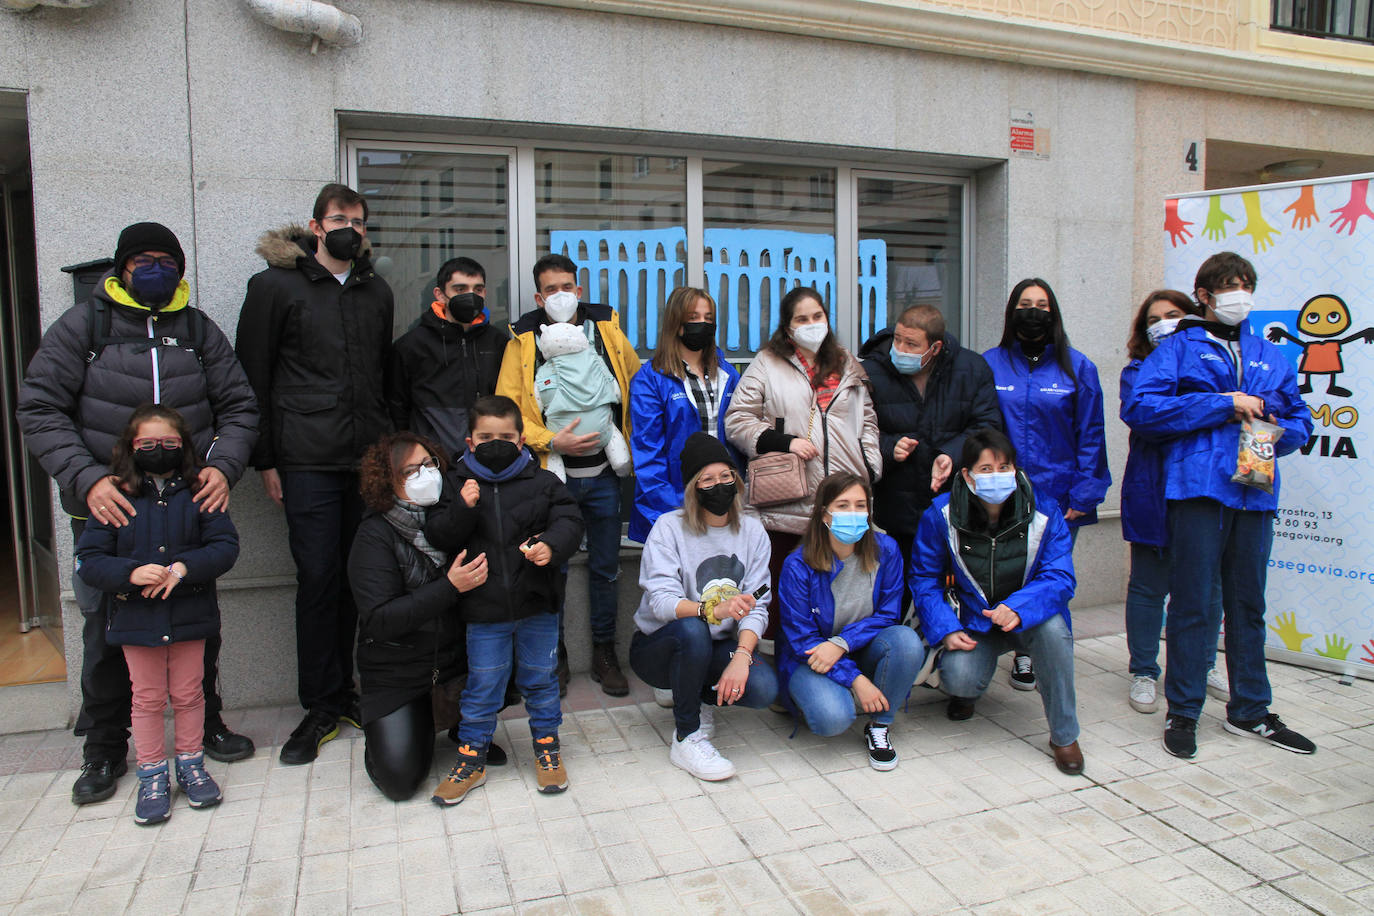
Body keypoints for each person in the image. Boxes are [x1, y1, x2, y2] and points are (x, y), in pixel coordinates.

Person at [17, 221, 259, 806]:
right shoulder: (86, 326)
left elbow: (239, 405)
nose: (156, 268)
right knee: (107, 629)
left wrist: (222, 467)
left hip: (185, 504)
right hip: (112, 506)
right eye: (143, 259)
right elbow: (40, 406)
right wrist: (87, 478)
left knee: (199, 622)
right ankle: (104, 745)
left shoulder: (197, 330)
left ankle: (206, 728)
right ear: (121, 268)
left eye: (166, 259)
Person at [1122, 252, 1315, 760]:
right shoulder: (1178, 349)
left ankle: (1250, 710)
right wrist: (1225, 403)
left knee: (1248, 604)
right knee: (1191, 604)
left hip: (1255, 491)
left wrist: (1276, 428)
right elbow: (1141, 409)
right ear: (1204, 296)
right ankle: (1183, 710)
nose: (1239, 294)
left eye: (1246, 284)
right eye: (1229, 286)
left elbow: (1301, 420)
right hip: (1197, 490)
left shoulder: (1270, 354)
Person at [236, 183, 395, 765]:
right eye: (338, 218)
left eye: (358, 219)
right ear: (316, 224)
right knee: (318, 579)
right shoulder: (275, 286)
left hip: (366, 460)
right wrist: (266, 459)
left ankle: (355, 691)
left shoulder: (376, 292)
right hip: (304, 459)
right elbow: (253, 376)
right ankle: (321, 703)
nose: (349, 226)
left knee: (362, 578)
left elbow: (381, 374)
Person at [75, 405, 240, 824]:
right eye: (147, 443)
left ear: (183, 446)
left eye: (168, 443)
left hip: (189, 611)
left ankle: (191, 763)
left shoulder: (199, 491)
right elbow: (89, 559)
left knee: (190, 694)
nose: (158, 450)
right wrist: (130, 573)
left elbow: (224, 547)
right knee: (146, 699)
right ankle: (152, 773)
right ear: (130, 447)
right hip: (137, 618)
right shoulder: (116, 496)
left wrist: (184, 568)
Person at [423, 396, 584, 805]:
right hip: (483, 610)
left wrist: (551, 544)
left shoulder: (544, 481)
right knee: (483, 686)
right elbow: (440, 535)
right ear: (470, 441)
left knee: (541, 680)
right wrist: (464, 507)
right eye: (486, 437)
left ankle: (547, 749)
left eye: (506, 437)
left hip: (537, 604)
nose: (497, 443)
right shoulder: (456, 483)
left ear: (522, 438)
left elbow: (570, 520)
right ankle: (471, 758)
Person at [496, 253, 639, 696]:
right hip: (550, 479)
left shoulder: (606, 328)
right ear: (540, 297)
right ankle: (551, 659)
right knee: (548, 569)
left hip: (603, 476)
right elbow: (508, 410)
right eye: (550, 290)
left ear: (578, 290)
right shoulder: (523, 339)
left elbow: (632, 381)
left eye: (566, 287)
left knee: (606, 569)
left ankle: (603, 652)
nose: (560, 296)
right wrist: (549, 442)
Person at [909, 428, 1085, 776]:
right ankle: (966, 693)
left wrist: (1019, 607)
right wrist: (945, 627)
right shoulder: (941, 514)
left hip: (1028, 617)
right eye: (986, 470)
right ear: (967, 475)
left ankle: (1064, 736)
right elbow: (923, 577)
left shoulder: (1045, 510)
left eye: (1004, 468)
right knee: (959, 676)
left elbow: (1060, 577)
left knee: (1054, 632)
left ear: (1016, 470)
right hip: (976, 621)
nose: (997, 477)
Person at [348, 431, 509, 802]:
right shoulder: (373, 535)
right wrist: (449, 587)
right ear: (387, 481)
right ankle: (404, 726)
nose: (426, 474)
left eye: (429, 463)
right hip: (398, 675)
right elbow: (380, 618)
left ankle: (457, 725)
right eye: (410, 471)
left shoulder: (454, 515)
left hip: (453, 663)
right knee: (400, 782)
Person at [724, 286, 881, 635]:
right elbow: (737, 420)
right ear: (788, 325)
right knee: (783, 595)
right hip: (787, 503)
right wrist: (785, 442)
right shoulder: (767, 362)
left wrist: (870, 465)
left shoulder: (847, 362)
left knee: (834, 593)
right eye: (802, 319)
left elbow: (867, 420)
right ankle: (784, 668)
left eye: (817, 316)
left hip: (843, 503)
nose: (812, 324)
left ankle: (831, 662)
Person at [983, 278, 1109, 692]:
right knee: (1005, 577)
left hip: (1058, 496)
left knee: (1049, 581)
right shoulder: (991, 364)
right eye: (1025, 303)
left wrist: (1085, 493)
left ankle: (1038, 657)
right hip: (999, 495)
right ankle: (1000, 651)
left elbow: (1091, 433)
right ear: (1011, 311)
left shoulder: (1078, 367)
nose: (1033, 310)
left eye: (1041, 304)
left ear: (1053, 312)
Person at [629, 433, 778, 780]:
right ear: (693, 488)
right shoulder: (669, 528)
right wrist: (713, 610)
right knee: (693, 629)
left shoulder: (754, 531)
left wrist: (742, 657)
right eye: (707, 480)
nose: (719, 485)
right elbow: (662, 602)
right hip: (661, 646)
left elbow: (758, 602)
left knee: (763, 688)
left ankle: (698, 698)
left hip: (719, 644)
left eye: (726, 476)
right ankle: (686, 736)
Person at [1120, 290, 1226, 715]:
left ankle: (1204, 663)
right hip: (1152, 488)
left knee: (1208, 584)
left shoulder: (1217, 367)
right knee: (1148, 585)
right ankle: (1144, 669)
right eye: (1155, 318)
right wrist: (1214, 406)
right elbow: (1150, 417)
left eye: (1175, 315)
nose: (1164, 323)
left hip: (1205, 487)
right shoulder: (1137, 372)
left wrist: (1201, 406)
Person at [777, 473, 925, 770]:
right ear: (824, 514)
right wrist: (856, 680)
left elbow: (887, 615)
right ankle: (837, 688)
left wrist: (841, 644)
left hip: (856, 648)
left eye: (861, 506)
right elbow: (803, 640)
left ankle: (880, 726)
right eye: (842, 506)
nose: (853, 514)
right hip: (809, 658)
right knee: (832, 719)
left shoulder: (887, 550)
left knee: (906, 641)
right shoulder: (798, 565)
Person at [859, 304, 1003, 587]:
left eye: (911, 344)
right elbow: (857, 429)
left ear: (935, 348)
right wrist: (889, 446)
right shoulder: (872, 370)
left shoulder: (972, 369)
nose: (900, 348)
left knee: (951, 591)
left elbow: (987, 426)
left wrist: (951, 454)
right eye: (898, 339)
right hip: (896, 509)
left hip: (955, 507)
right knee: (899, 594)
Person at [628, 286, 742, 544]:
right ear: (676, 323)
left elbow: (737, 438)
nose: (702, 324)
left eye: (708, 318)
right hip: (673, 507)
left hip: (723, 501)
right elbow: (647, 455)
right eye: (693, 318)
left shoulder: (727, 374)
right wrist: (679, 511)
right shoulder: (650, 379)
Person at [386, 257, 509, 460]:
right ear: (440, 294)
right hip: (432, 462)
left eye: (477, 289)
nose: (470, 296)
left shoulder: (499, 343)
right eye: (460, 289)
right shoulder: (411, 346)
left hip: (488, 461)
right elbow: (397, 408)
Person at [533, 320, 632, 481]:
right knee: (619, 455)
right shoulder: (596, 360)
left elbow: (534, 403)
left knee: (555, 481)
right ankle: (621, 462)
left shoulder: (544, 372)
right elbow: (618, 392)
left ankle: (555, 479)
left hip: (601, 469)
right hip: (584, 443)